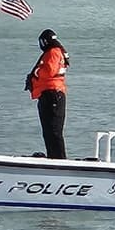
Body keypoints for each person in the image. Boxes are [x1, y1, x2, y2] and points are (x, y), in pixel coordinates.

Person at [26, 29, 69, 159]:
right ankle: (54, 157)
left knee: (54, 131)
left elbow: (48, 71)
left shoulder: (53, 53)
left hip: (52, 94)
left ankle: (59, 160)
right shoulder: (57, 51)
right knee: (50, 131)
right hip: (51, 94)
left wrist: (35, 73)